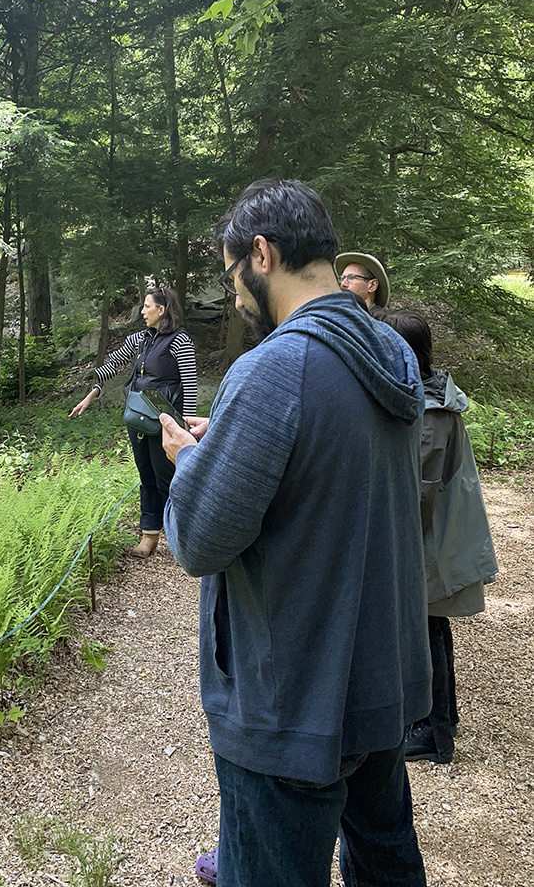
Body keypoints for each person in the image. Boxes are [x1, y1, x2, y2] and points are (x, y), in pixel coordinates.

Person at [161, 179, 430, 887]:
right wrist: (234, 445)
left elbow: (198, 541)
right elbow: (331, 467)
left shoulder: (276, 366)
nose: (236, 295)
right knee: (385, 856)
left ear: (261, 253)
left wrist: (191, 462)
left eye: (231, 276)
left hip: (293, 697)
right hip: (376, 677)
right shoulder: (388, 351)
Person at [381, 312, 500, 765]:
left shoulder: (429, 411)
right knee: (431, 627)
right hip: (432, 540)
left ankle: (433, 732)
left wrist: (390, 542)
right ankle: (440, 720)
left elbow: (419, 495)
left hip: (428, 544)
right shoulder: (428, 396)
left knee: (422, 631)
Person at [69, 287, 200, 556]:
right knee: (146, 474)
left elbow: (190, 384)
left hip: (166, 422)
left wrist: (187, 428)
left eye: (147, 306)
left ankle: (186, 536)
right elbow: (113, 364)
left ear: (161, 310)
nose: (142, 311)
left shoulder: (180, 341)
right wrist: (90, 395)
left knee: (171, 477)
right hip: (138, 420)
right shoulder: (140, 339)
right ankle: (150, 536)